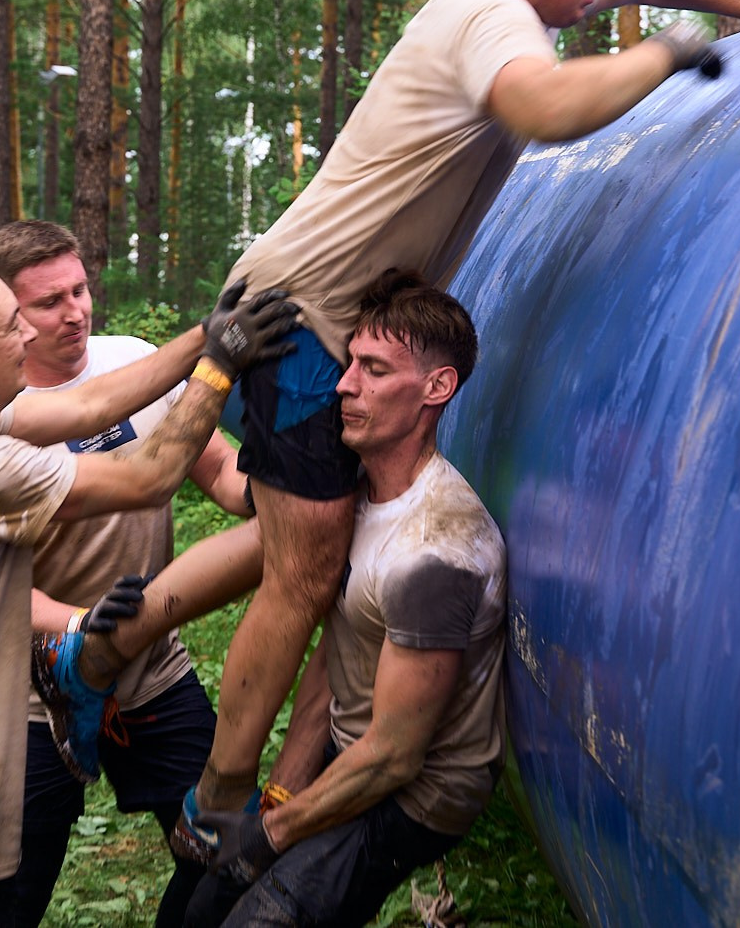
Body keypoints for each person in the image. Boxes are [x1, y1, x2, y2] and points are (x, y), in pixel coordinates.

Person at [169, 0, 740, 846]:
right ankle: (217, 800)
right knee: (303, 572)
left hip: (320, 313)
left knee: (308, 554)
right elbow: (542, 111)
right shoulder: (491, 25)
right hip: (301, 325)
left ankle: (245, 762)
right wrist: (667, 56)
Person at [0, 256, 295, 926]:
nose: (30, 338)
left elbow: (87, 403)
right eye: (12, 325)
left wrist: (206, 337)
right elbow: (151, 476)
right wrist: (218, 369)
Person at [176, 271, 505, 927]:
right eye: (349, 360)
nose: (345, 383)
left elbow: (394, 754)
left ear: (436, 388)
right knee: (200, 901)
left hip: (414, 794)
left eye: (374, 369)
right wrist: (280, 792)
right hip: (352, 748)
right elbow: (339, 653)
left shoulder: (435, 552)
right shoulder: (354, 499)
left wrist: (271, 835)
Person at [0, 220, 253, 928]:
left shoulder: (133, 364)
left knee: (221, 857)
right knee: (11, 891)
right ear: (6, 320)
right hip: (35, 689)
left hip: (150, 665)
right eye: (49, 302)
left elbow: (218, 467)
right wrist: (77, 626)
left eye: (79, 289)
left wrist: (283, 492)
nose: (75, 311)